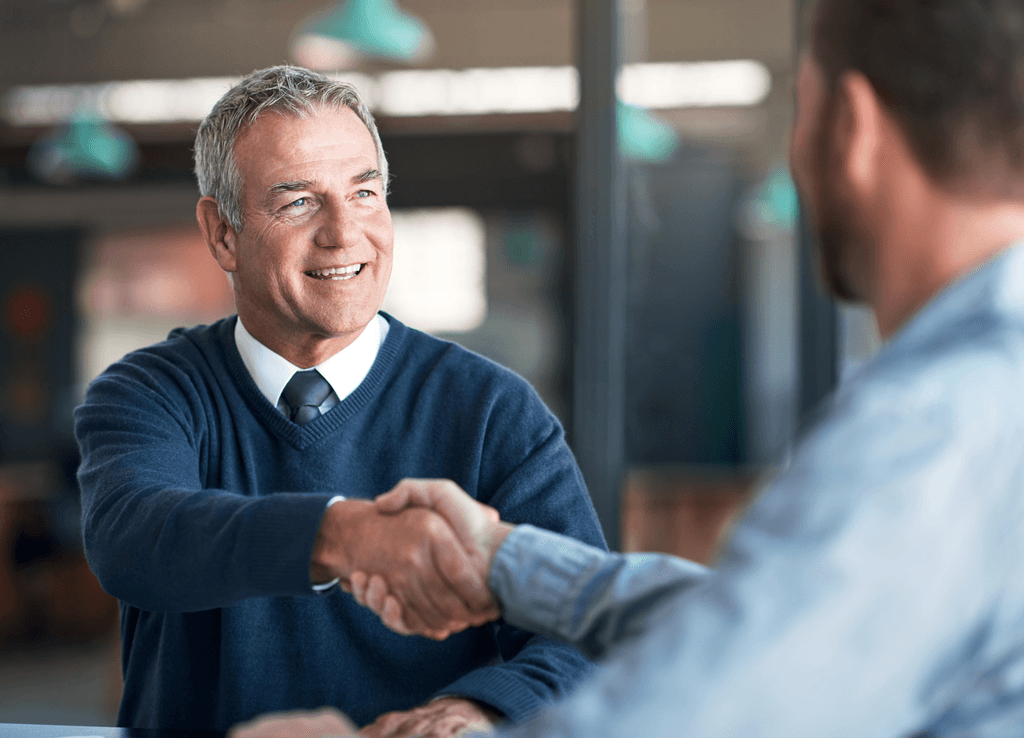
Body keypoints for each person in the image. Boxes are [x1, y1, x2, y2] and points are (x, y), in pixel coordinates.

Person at [231, 0, 1024, 735]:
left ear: (850, 127)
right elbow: (757, 617)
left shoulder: (934, 422)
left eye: (802, 109)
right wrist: (507, 556)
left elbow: (705, 711)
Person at [74, 65, 606, 736]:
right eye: (298, 201)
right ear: (222, 234)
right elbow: (135, 538)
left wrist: (479, 708)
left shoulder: (492, 410)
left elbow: (582, 630)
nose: (343, 233)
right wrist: (345, 535)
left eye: (364, 193)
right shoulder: (150, 393)